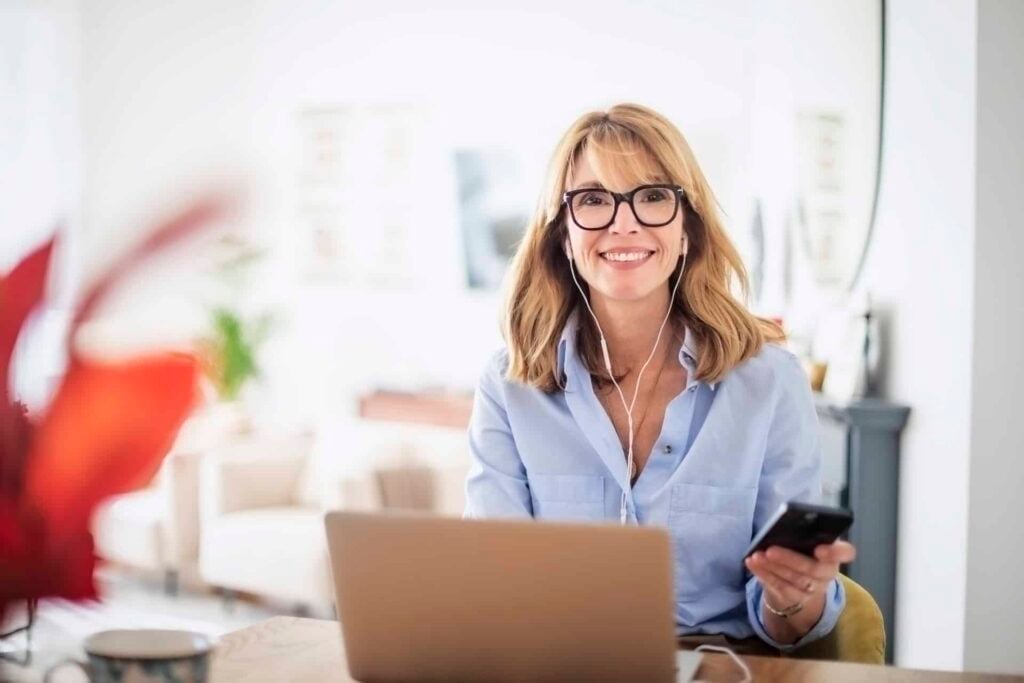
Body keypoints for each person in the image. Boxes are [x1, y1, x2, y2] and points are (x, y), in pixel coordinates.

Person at [464, 103, 856, 650]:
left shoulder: (769, 381)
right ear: (562, 234)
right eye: (594, 199)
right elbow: (493, 582)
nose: (624, 223)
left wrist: (794, 593)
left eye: (652, 197)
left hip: (717, 663)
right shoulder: (509, 385)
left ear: (687, 228)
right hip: (559, 662)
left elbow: (789, 624)